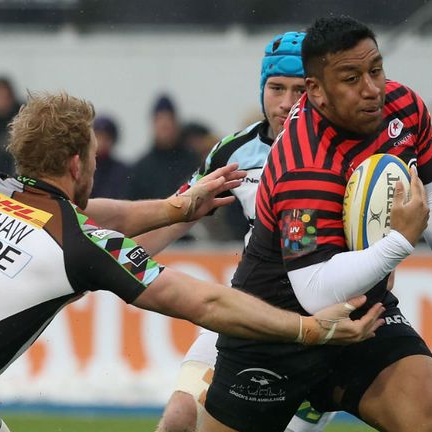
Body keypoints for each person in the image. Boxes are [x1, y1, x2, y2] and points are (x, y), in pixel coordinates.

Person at [0, 91, 385, 432]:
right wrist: (310, 329)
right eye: (93, 155)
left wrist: (175, 206)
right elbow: (205, 301)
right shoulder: (77, 245)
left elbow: (94, 213)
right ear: (77, 161)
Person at [200, 16, 432, 432]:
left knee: (427, 416)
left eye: (375, 69)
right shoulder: (302, 161)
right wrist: (399, 240)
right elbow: (314, 290)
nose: (372, 88)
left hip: (365, 313)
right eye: (351, 78)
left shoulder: (404, 108)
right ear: (316, 91)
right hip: (273, 327)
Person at [142, 32, 337, 432]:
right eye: (276, 88)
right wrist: (104, 259)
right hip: (245, 314)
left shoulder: (344, 152)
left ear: (317, 91)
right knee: (178, 418)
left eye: (299, 89)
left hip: (317, 330)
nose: (285, 102)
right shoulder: (233, 151)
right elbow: (179, 215)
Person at [127, 94, 200, 200]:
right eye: (160, 120)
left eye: (169, 119)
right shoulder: (141, 169)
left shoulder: (192, 161)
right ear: (153, 123)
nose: (164, 125)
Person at [90, 115, 130, 199]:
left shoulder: (122, 171)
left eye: (106, 138)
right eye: (98, 137)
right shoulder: (84, 170)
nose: (101, 143)